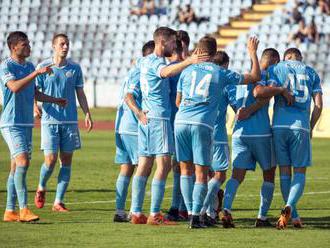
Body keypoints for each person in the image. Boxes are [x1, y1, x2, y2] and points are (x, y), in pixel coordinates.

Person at [125, 26, 209, 225]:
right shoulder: (156, 62)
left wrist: (138, 112)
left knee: (144, 165)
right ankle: (155, 214)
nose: (174, 45)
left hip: (145, 117)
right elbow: (165, 72)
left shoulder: (142, 61)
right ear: (162, 42)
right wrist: (189, 60)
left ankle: (136, 212)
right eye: (172, 42)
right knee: (163, 166)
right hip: (159, 117)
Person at [175, 36, 261, 229]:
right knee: (201, 172)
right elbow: (255, 76)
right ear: (214, 53)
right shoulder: (221, 73)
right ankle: (196, 216)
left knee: (185, 170)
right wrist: (252, 52)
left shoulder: (186, 70)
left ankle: (190, 213)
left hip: (180, 121)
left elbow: (178, 102)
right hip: (203, 124)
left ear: (198, 50)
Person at [1, 31, 67, 222]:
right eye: (25, 44)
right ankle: (23, 210)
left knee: (15, 169)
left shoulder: (28, 65)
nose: (29, 47)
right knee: (23, 163)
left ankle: (9, 211)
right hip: (11, 123)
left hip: (26, 123)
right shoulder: (6, 66)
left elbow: (34, 93)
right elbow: (13, 87)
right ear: (14, 47)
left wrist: (55, 100)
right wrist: (36, 73)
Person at [220, 48, 289, 228]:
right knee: (269, 174)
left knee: (236, 175)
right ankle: (261, 217)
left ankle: (226, 209)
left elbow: (232, 102)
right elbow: (262, 95)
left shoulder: (239, 80)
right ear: (273, 60)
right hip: (261, 133)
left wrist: (241, 112)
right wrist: (280, 90)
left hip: (239, 133)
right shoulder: (268, 74)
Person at [33, 33, 93, 212]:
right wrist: (34, 106)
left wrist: (87, 113)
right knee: (50, 160)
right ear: (53, 46)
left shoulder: (75, 68)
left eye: (67, 44)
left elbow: (80, 93)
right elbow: (33, 91)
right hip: (50, 121)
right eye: (62, 44)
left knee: (66, 161)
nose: (65, 47)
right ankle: (41, 187)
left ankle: (58, 202)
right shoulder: (43, 67)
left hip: (70, 121)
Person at [264, 48, 323, 229]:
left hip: (280, 125)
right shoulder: (311, 72)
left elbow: (270, 90)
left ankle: (294, 216)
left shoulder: (277, 68)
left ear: (286, 56)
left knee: (284, 172)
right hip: (300, 127)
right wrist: (311, 127)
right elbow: (319, 105)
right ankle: (289, 207)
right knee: (299, 171)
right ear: (300, 57)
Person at [113, 40, 155, 222]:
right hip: (134, 126)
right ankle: (135, 211)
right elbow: (129, 96)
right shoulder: (141, 72)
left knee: (126, 169)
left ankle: (120, 211)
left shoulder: (132, 70)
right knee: (143, 167)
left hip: (121, 126)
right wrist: (139, 114)